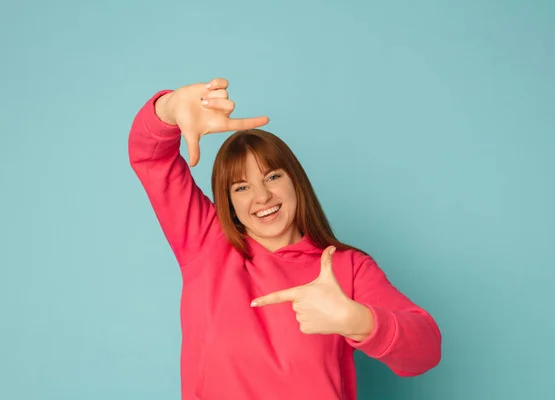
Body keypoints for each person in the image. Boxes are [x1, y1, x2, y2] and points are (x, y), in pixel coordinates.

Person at [128, 78, 442, 400]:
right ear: (229, 201)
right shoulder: (206, 242)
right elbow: (152, 159)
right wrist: (168, 110)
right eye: (241, 187)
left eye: (272, 177)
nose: (262, 197)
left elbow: (426, 351)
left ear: (295, 181)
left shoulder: (345, 268)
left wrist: (358, 320)